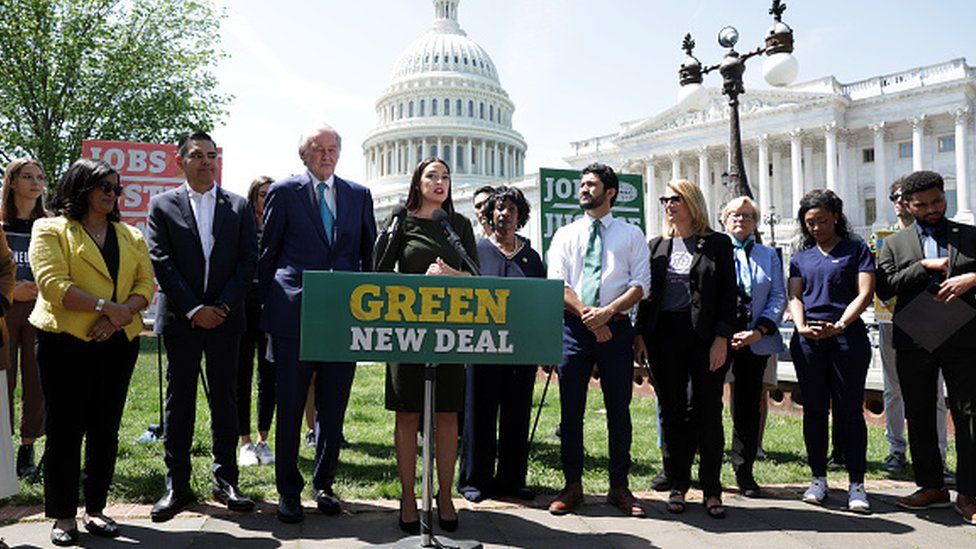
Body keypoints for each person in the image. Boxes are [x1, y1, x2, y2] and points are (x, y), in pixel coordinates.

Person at [29, 158, 153, 545]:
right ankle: (63, 517)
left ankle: (96, 510)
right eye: (104, 186)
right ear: (81, 187)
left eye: (116, 188)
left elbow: (146, 285)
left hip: (117, 343)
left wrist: (118, 318)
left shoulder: (131, 235)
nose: (111, 194)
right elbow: (52, 285)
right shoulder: (50, 229)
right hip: (65, 344)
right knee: (65, 430)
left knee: (106, 429)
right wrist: (106, 308)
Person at [258, 124, 376, 523]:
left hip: (343, 314)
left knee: (333, 407)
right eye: (317, 148)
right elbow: (268, 253)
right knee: (290, 405)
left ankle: (324, 484)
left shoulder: (358, 196)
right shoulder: (284, 192)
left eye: (332, 149)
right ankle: (288, 491)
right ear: (303, 154)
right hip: (294, 313)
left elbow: (367, 258)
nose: (326, 155)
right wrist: (267, 310)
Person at [148, 132, 258, 522]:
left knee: (226, 400)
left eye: (212, 155)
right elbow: (161, 259)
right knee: (180, 402)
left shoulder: (238, 206)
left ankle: (226, 479)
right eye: (197, 155)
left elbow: (248, 261)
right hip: (182, 320)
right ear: (180, 161)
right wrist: (195, 308)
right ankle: (177, 483)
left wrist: (222, 306)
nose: (207, 162)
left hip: (226, 320)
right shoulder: (162, 205)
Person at [376, 157, 476, 533]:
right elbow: (380, 273)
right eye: (432, 176)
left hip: (450, 332)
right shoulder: (400, 221)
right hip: (407, 331)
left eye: (446, 177)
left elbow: (477, 276)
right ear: (417, 182)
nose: (440, 182)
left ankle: (445, 495)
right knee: (408, 414)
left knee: (447, 414)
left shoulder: (458, 225)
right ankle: (407, 497)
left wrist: (453, 275)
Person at [547, 162, 650, 518]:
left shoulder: (630, 234)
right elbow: (558, 283)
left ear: (610, 193)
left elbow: (640, 285)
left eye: (591, 185)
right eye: (582, 184)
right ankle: (572, 486)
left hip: (617, 328)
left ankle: (619, 487)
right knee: (571, 411)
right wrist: (591, 317)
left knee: (619, 411)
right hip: (575, 329)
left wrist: (607, 314)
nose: (583, 190)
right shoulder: (565, 234)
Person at [876, 170, 976, 523]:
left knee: (969, 414)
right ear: (907, 204)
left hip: (965, 336)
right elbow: (885, 288)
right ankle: (931, 486)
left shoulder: (970, 235)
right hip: (915, 337)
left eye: (937, 201)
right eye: (923, 204)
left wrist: (972, 278)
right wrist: (921, 267)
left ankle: (970, 493)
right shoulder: (893, 244)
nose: (932, 209)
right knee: (918, 413)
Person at [634, 180, 736, 519]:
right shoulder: (657, 245)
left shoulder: (717, 244)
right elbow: (646, 297)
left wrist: (722, 338)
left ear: (692, 202)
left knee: (707, 410)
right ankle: (677, 483)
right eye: (665, 199)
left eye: (675, 199)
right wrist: (640, 335)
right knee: (672, 411)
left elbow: (727, 295)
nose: (668, 204)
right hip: (664, 337)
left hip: (705, 338)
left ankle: (712, 488)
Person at [787, 189, 875, 513]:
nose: (816, 228)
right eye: (809, 222)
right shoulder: (801, 257)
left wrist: (840, 323)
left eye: (822, 220)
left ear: (835, 216)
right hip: (809, 340)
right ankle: (818, 478)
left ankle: (856, 484)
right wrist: (800, 326)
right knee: (813, 409)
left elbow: (864, 293)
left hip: (847, 338)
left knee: (849, 409)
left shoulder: (856, 249)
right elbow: (795, 296)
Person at [457, 186, 543, 503]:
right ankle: (473, 481)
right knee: (479, 414)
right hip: (481, 347)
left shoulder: (531, 258)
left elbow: (540, 303)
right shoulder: (476, 252)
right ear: (490, 215)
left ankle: (510, 480)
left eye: (511, 209)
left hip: (520, 351)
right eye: (498, 209)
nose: (504, 214)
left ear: (520, 216)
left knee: (516, 414)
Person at [875, 178, 951, 479]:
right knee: (893, 390)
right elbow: (882, 284)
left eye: (901, 196)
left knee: (934, 393)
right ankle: (896, 448)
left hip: (934, 321)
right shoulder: (885, 237)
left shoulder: (939, 234)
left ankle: (940, 455)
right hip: (890, 321)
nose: (898, 202)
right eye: (893, 196)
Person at [720, 196, 786, 498]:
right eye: (734, 214)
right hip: (719, 340)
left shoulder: (768, 254)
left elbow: (777, 296)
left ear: (756, 222)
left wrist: (758, 331)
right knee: (705, 404)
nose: (741, 220)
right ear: (724, 219)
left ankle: (744, 471)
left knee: (747, 408)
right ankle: (705, 469)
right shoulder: (714, 250)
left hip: (756, 341)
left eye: (747, 215)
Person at [1, 159, 48, 479]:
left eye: (40, 177)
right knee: (3, 381)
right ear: (12, 182)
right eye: (27, 177)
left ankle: (26, 451)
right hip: (3, 311)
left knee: (37, 382)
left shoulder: (51, 225)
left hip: (40, 311)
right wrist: (11, 291)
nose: (35, 182)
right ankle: (2, 457)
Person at [237, 176, 276, 467]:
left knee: (269, 376)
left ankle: (264, 440)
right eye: (263, 195)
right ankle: (244, 441)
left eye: (271, 195)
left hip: (270, 306)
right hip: (243, 305)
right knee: (241, 374)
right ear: (252, 198)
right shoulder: (241, 227)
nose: (267, 200)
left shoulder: (280, 229)